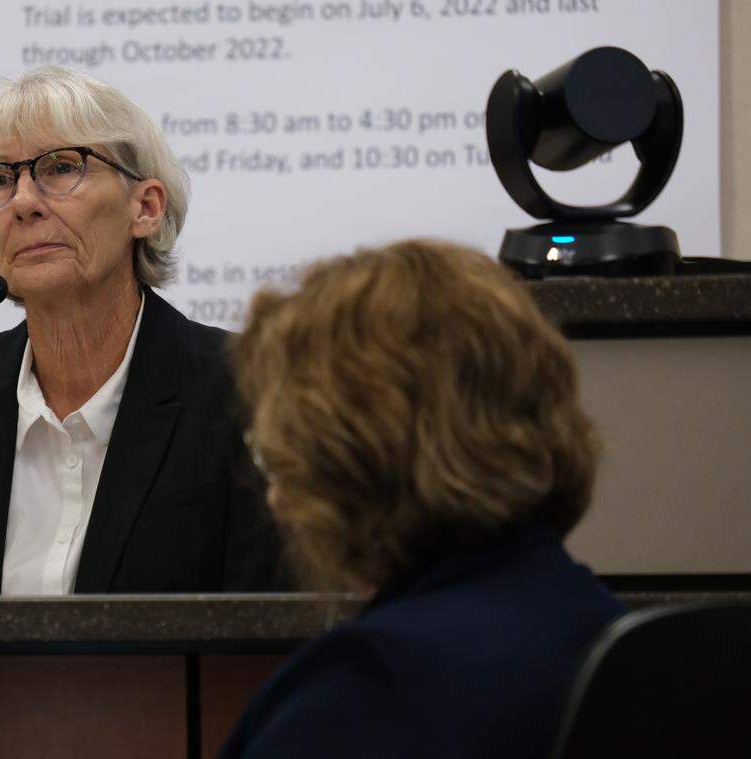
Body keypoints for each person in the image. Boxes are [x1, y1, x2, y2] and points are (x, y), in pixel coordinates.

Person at [0, 66, 281, 595]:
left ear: (146, 208)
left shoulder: (248, 387)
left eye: (60, 168)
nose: (23, 202)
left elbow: (270, 634)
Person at [220, 240, 625, 757]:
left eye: (277, 451)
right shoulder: (609, 628)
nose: (275, 497)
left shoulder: (372, 689)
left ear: (347, 452)